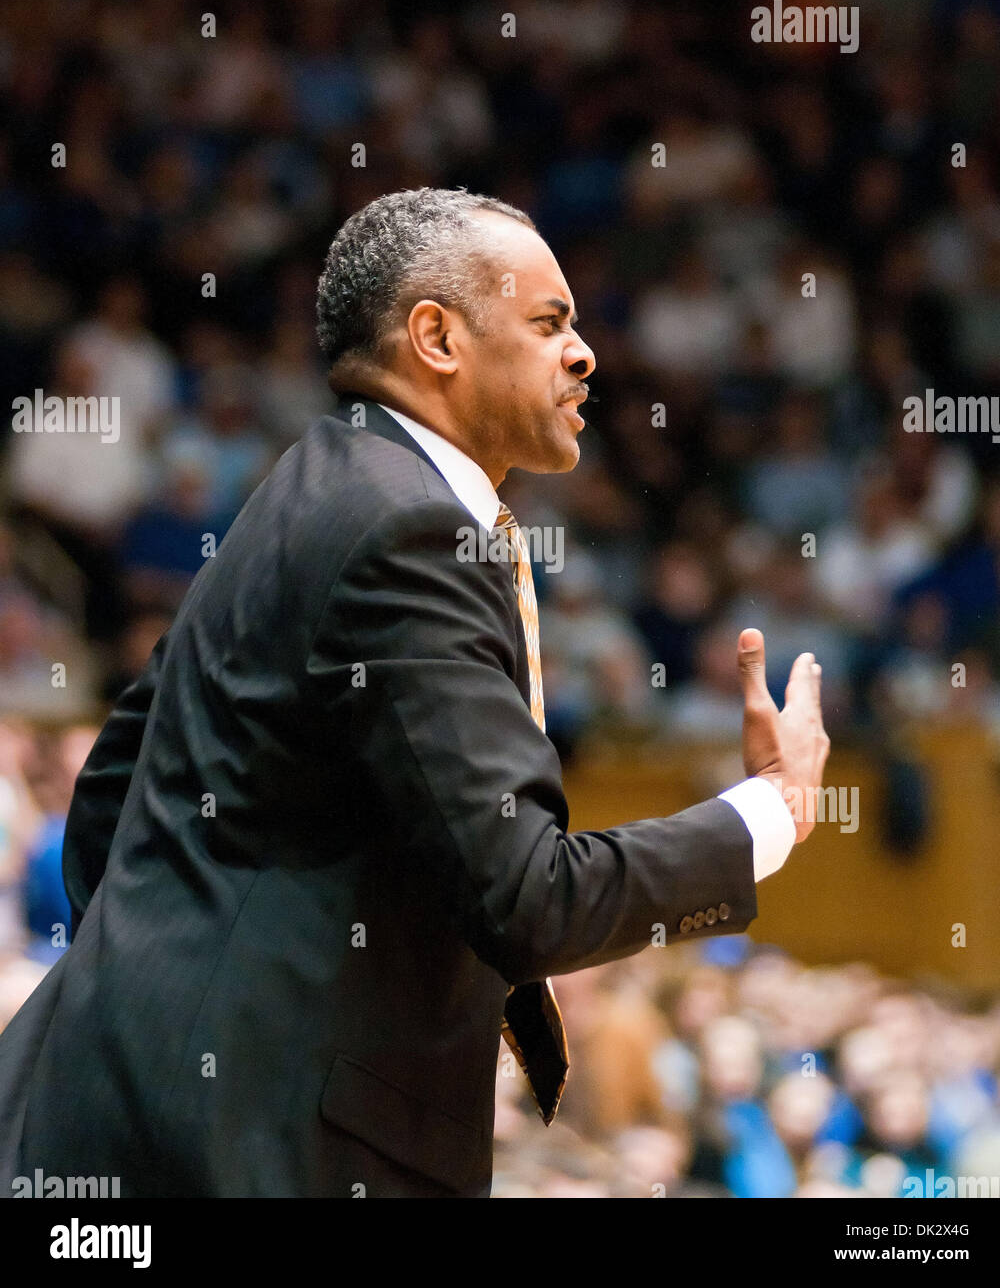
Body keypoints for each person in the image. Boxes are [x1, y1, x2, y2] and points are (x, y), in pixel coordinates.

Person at [0, 188, 829, 1197]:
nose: (584, 354)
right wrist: (770, 815)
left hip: (128, 1110)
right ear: (435, 336)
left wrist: (158, 992)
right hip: (250, 1142)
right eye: (547, 322)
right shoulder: (408, 529)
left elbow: (109, 791)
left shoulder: (304, 490)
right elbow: (527, 901)